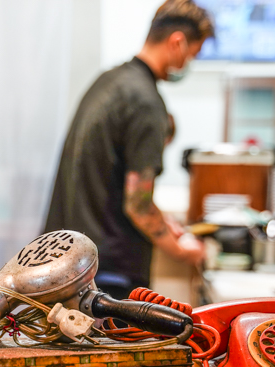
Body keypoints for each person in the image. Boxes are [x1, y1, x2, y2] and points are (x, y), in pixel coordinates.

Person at [43, 0, 213, 299]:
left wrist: (166, 223)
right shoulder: (146, 102)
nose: (188, 63)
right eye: (192, 54)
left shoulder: (109, 82)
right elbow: (138, 203)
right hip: (109, 276)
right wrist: (185, 251)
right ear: (177, 42)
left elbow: (112, 179)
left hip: (69, 261)